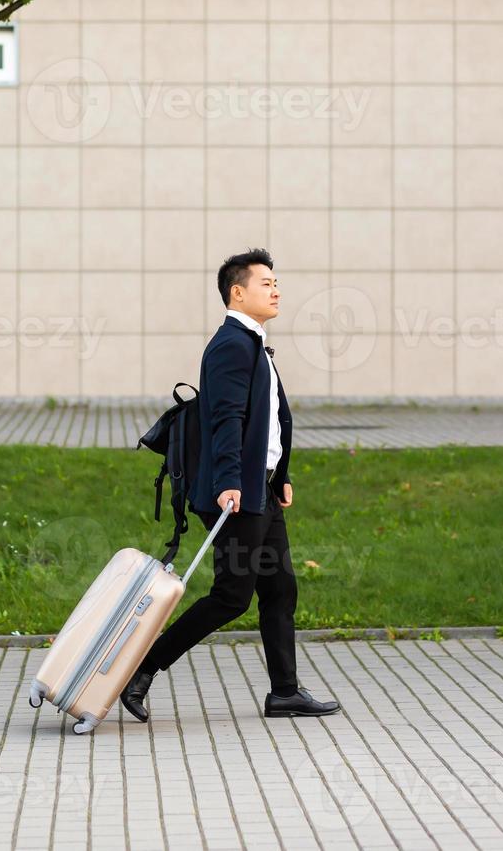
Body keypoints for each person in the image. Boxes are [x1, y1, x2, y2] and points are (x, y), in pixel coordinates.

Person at [121, 248, 341, 720]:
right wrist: (228, 482)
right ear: (237, 293)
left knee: (280, 588)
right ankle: (141, 668)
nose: (276, 289)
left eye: (276, 282)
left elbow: (267, 421)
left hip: (259, 489)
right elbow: (225, 419)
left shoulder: (252, 343)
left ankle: (284, 691)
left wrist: (278, 477)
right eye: (266, 283)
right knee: (231, 597)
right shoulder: (230, 345)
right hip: (237, 492)